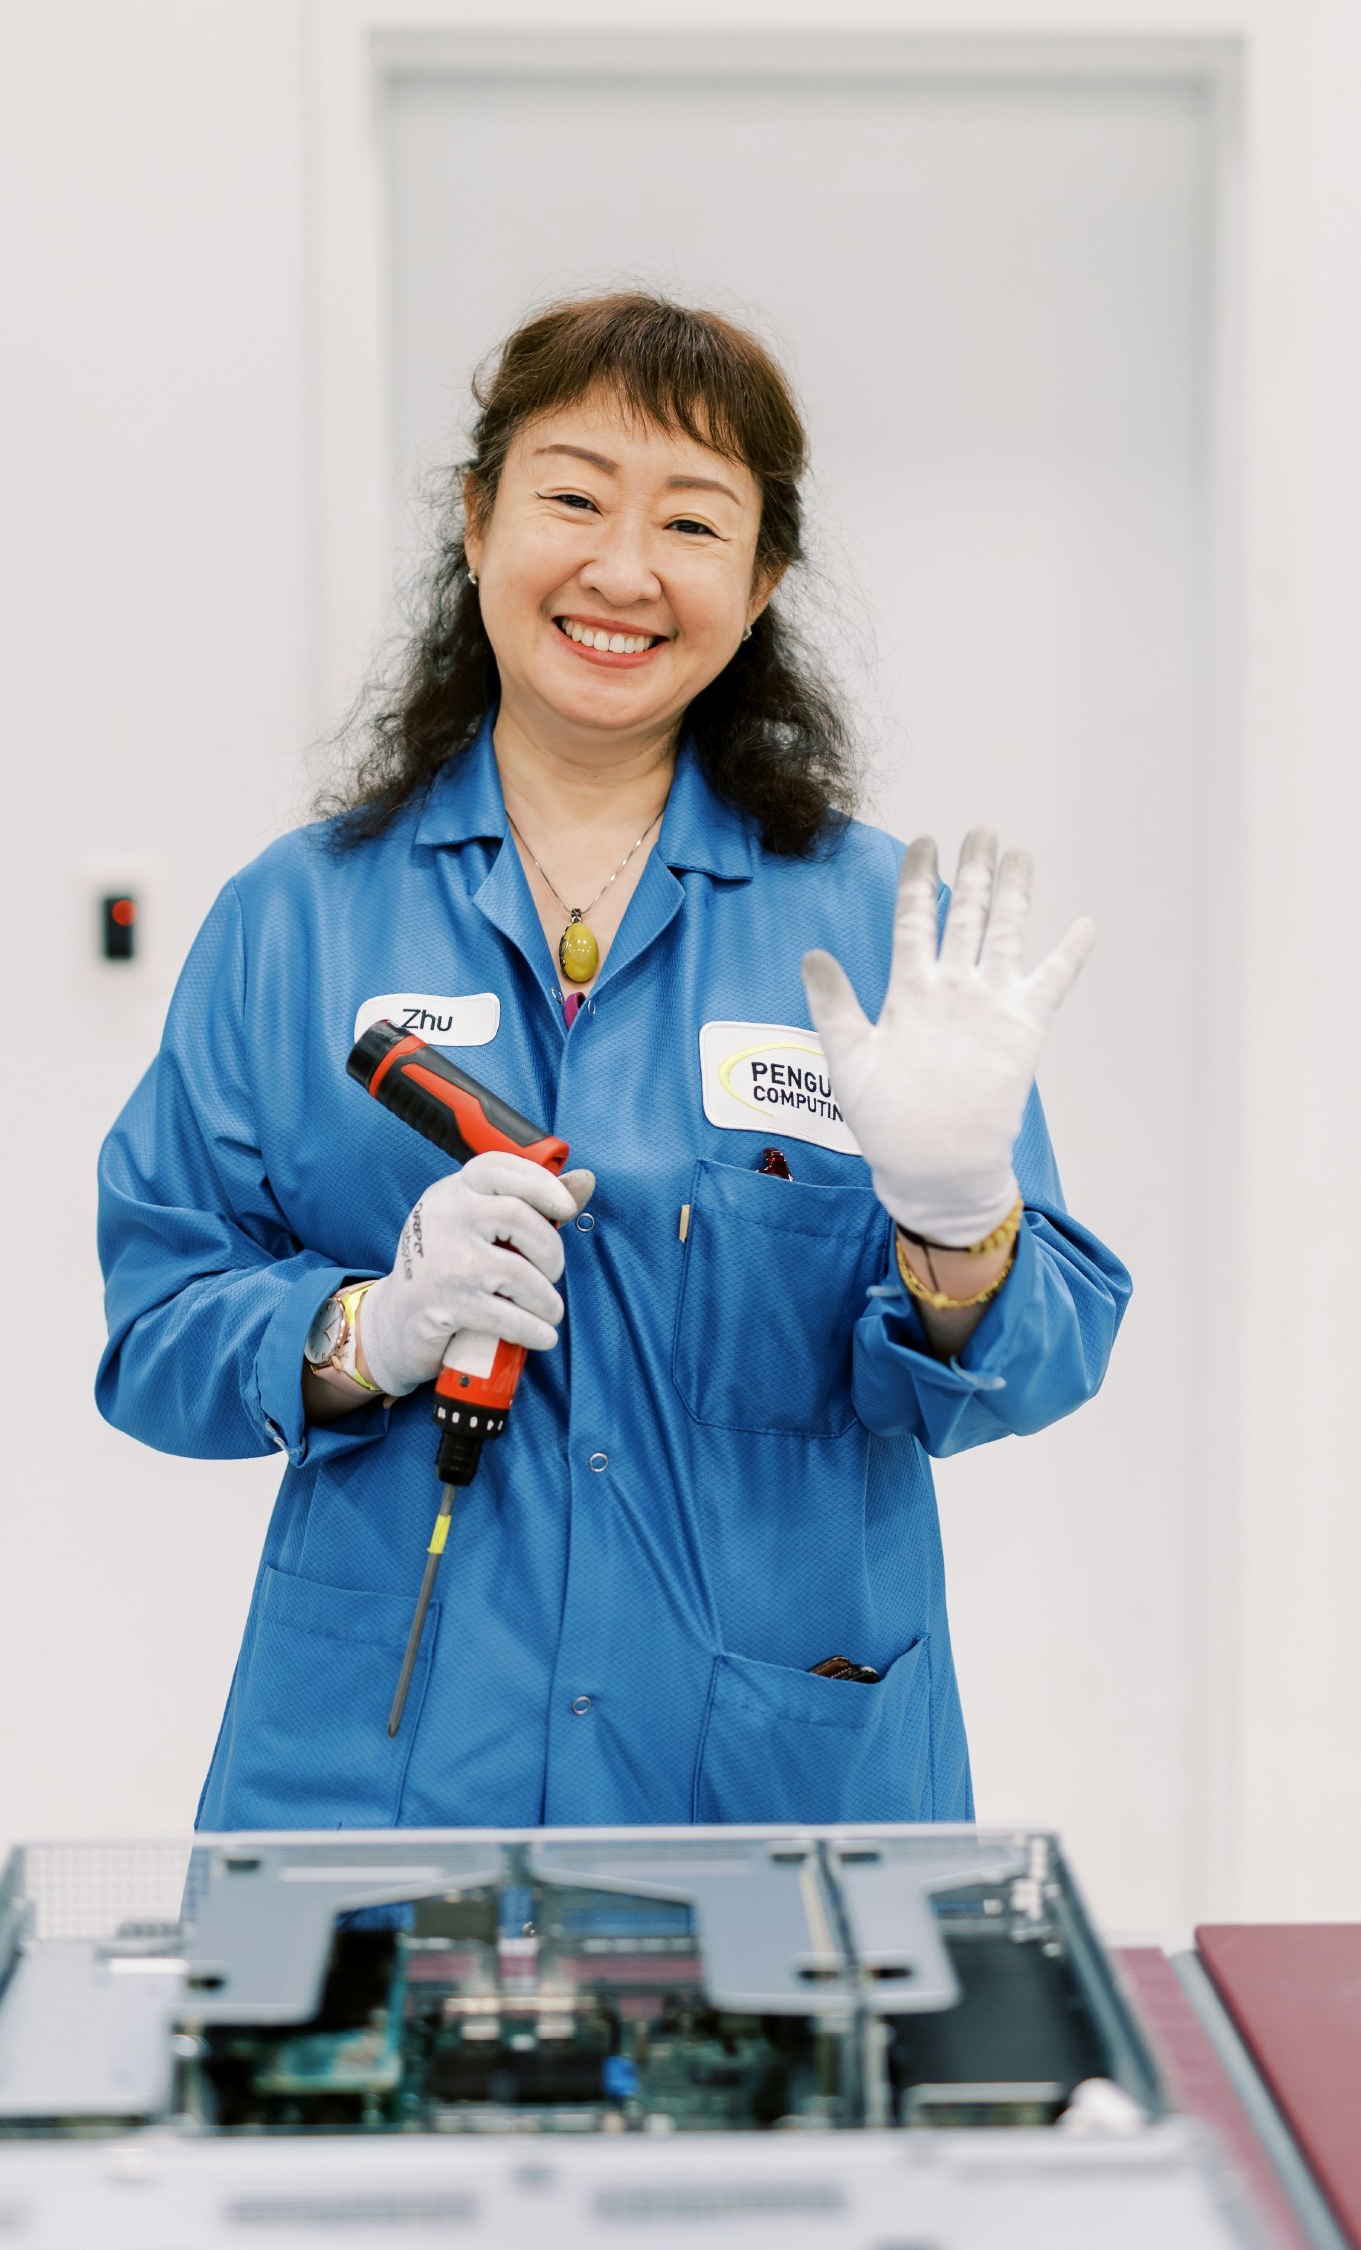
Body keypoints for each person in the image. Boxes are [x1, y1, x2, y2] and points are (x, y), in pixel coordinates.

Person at [97, 292, 1130, 1832]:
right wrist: (365, 1328)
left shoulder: (868, 926)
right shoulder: (295, 919)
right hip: (384, 1785)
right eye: (573, 497)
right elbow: (155, 1329)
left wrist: (959, 1222)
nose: (623, 570)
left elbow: (1034, 1364)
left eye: (693, 523)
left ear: (763, 574)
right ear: (474, 520)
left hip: (775, 1788)